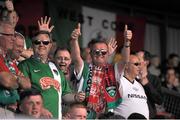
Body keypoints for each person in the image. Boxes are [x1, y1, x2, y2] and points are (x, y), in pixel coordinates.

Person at [18, 16, 85, 119]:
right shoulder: (25, 65)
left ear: (50, 46)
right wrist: (40, 108)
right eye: (37, 42)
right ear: (32, 44)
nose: (41, 45)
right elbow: (23, 94)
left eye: (45, 42)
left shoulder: (56, 68)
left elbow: (64, 95)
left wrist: (76, 97)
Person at [70, 23, 132, 118]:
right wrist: (74, 40)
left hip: (104, 116)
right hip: (83, 115)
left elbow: (125, 60)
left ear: (108, 54)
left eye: (103, 52)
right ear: (90, 53)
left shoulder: (112, 70)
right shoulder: (84, 67)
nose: (100, 54)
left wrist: (127, 42)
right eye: (96, 52)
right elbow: (76, 57)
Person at [0, 20, 31, 118]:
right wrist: (18, 79)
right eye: (10, 35)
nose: (13, 39)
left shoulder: (9, 60)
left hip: (10, 112)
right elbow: (6, 81)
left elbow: (27, 84)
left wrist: (13, 78)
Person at [114, 54, 149, 119]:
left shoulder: (139, 85)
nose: (139, 67)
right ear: (126, 65)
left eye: (140, 64)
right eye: (136, 64)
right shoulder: (119, 81)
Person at [136, 50, 163, 118]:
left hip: (149, 116)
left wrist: (147, 84)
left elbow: (159, 100)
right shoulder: (131, 77)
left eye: (138, 59)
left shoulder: (154, 79)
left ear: (146, 62)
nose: (135, 61)